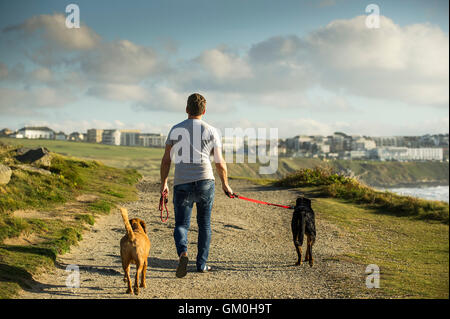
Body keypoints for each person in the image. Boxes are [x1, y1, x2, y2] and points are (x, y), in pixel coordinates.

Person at [160, 93, 233, 278]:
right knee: (204, 225)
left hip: (182, 182)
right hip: (205, 181)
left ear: (186, 109)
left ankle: (183, 253)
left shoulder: (176, 129)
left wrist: (164, 183)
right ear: (204, 111)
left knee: (182, 224)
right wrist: (225, 184)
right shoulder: (212, 130)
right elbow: (219, 162)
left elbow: (166, 160)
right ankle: (201, 265)